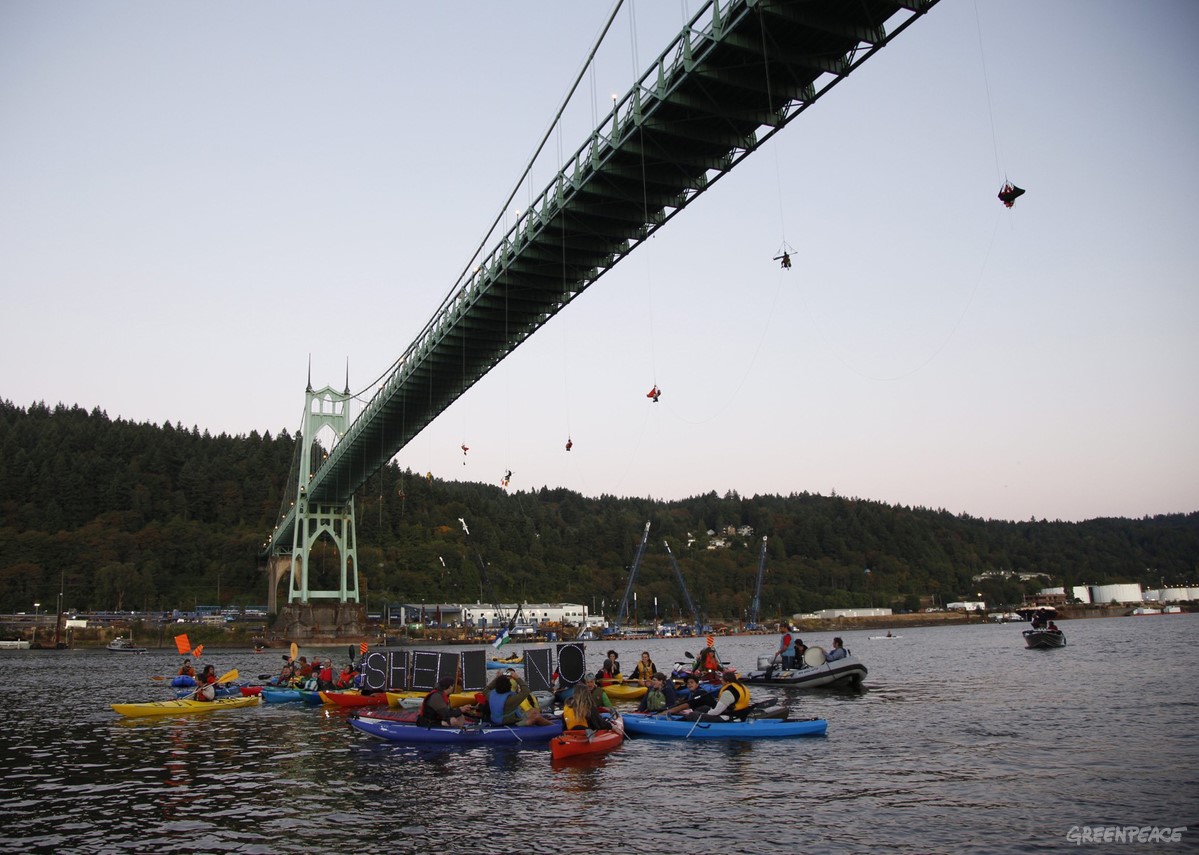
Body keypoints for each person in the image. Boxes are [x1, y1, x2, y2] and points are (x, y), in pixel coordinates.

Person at [486, 673, 552, 727]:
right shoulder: (511, 699)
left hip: (496, 720)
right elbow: (526, 691)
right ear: (509, 686)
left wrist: (497, 678)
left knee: (534, 711)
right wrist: (517, 678)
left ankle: (546, 724)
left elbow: (487, 689)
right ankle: (552, 727)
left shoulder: (490, 695)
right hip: (510, 723)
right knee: (536, 717)